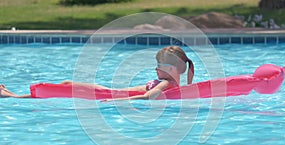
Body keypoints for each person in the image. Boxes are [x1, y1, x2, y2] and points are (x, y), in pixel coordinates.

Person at [0, 46, 194, 100]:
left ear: (170, 69)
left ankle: (14, 96)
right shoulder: (169, 81)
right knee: (67, 84)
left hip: (108, 95)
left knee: (59, 89)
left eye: (158, 65)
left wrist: (115, 101)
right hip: (108, 91)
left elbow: (146, 97)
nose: (155, 68)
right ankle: (14, 95)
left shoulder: (166, 84)